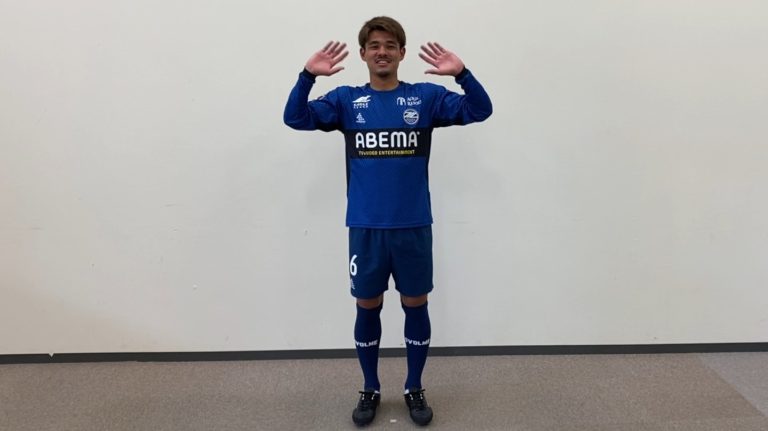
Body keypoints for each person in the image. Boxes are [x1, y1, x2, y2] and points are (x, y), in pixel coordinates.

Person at [283, 16, 492, 427]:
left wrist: (463, 74)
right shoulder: (346, 100)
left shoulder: (425, 98)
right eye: (375, 45)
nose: (382, 51)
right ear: (363, 54)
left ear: (401, 53)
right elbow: (295, 117)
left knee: (415, 304)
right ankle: (370, 388)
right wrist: (307, 75)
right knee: (367, 305)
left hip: (413, 226)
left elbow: (480, 109)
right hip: (366, 228)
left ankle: (414, 387)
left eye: (390, 45)